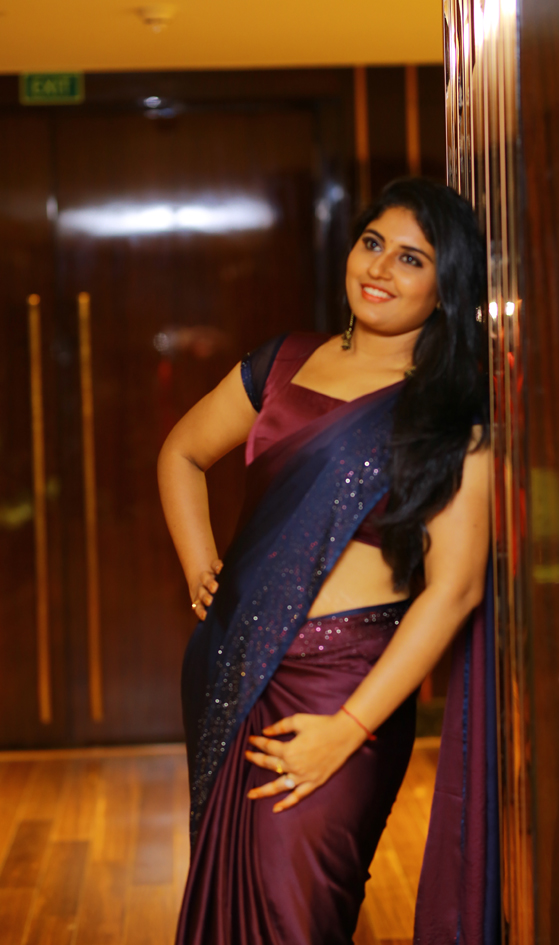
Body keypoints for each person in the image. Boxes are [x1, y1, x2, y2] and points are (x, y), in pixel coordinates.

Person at [158, 178, 498, 945]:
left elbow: (455, 588)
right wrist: (201, 566)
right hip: (233, 668)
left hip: (343, 691)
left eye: (411, 259)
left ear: (446, 286)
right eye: (373, 243)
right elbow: (181, 452)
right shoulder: (283, 363)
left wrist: (348, 728)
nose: (379, 268)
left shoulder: (450, 411)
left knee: (298, 916)